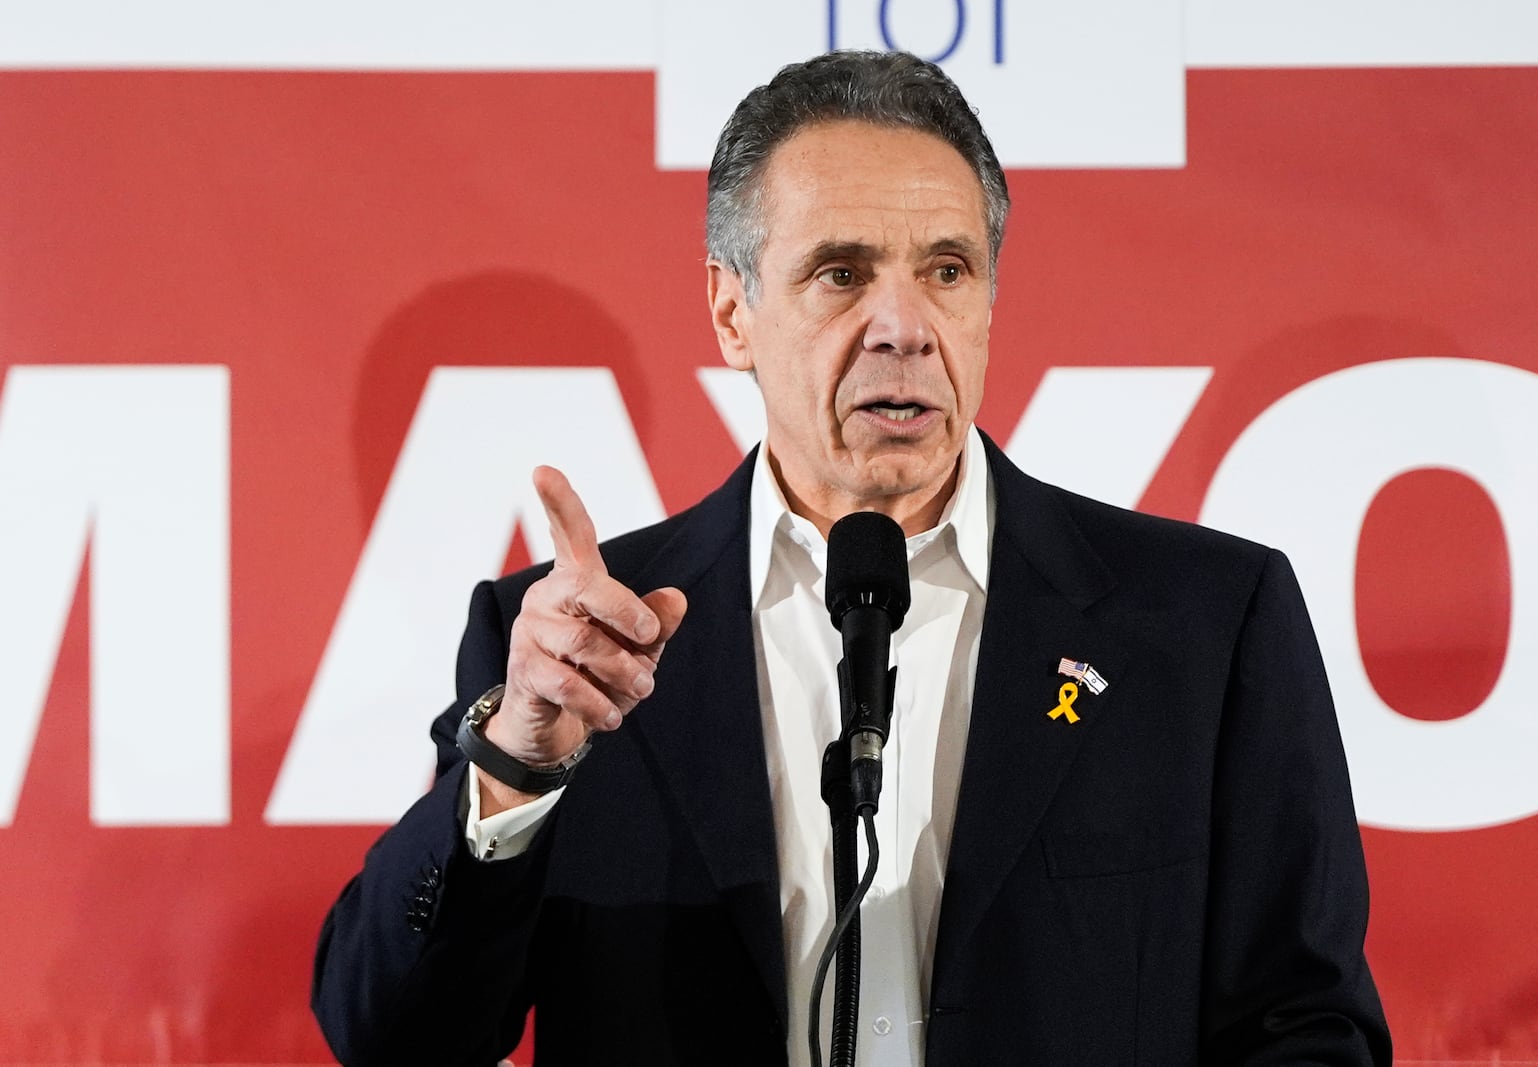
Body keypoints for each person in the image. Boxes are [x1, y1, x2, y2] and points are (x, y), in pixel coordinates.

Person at [313, 50, 1391, 1066]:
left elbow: (1305, 1024)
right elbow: (395, 1036)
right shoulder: (572, 646)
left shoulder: (1201, 623)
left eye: (947, 270)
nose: (903, 326)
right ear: (732, 311)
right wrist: (516, 763)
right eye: (841, 272)